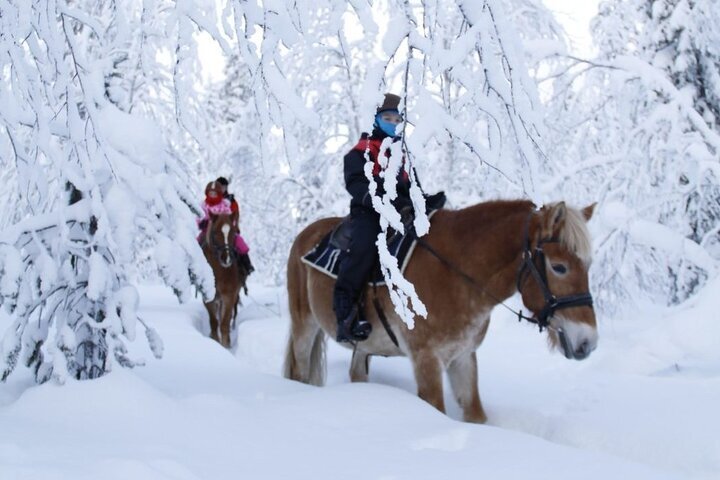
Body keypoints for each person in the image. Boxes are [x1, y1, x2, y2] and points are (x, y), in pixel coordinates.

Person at [333, 93, 445, 343]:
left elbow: (411, 187)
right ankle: (345, 313)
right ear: (375, 119)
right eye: (387, 118)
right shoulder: (359, 153)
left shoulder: (401, 155)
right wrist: (378, 201)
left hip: (400, 212)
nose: (393, 123)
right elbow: (355, 184)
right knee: (363, 249)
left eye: (397, 119)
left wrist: (425, 201)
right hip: (369, 213)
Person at [198, 178, 255, 275]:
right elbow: (199, 215)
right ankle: (194, 266)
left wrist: (232, 225)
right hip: (207, 230)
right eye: (211, 193)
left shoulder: (224, 204)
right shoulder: (204, 205)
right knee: (197, 243)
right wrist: (201, 222)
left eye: (215, 193)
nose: (213, 195)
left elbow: (231, 215)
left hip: (224, 230)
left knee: (238, 241)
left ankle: (246, 263)